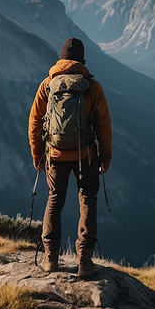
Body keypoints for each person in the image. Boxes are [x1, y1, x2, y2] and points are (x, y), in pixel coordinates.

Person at [28, 38, 112, 277]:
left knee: (55, 199)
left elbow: (35, 122)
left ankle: (50, 259)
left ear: (61, 60)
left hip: (55, 153)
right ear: (82, 61)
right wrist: (105, 155)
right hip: (86, 155)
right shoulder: (92, 87)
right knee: (87, 199)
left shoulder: (47, 85)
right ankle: (84, 261)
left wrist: (37, 153)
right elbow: (104, 125)